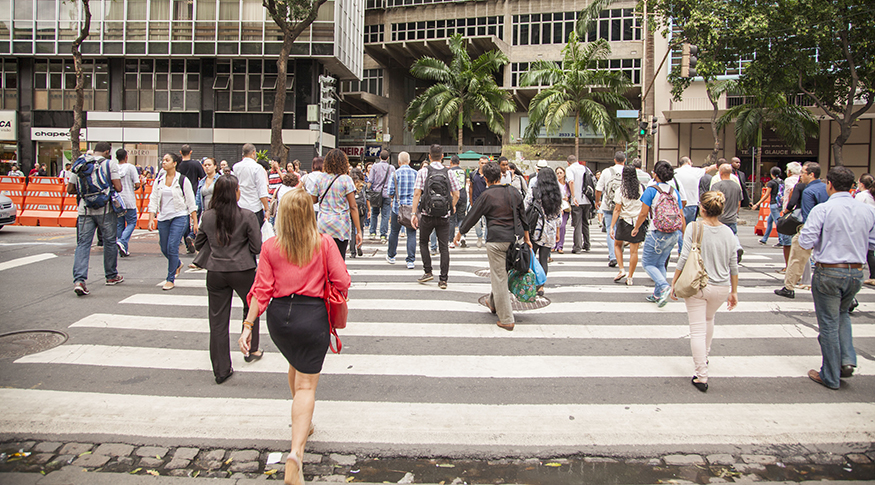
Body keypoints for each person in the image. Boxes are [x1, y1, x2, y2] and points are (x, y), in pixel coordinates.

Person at [240, 189, 350, 485]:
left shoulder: (271, 246)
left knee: (295, 363)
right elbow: (343, 280)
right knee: (306, 386)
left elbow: (261, 290)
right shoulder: (324, 243)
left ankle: (304, 422)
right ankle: (296, 454)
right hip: (311, 315)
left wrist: (248, 325)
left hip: (279, 319)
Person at [799, 166, 875, 389]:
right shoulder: (867, 210)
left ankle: (830, 374)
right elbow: (872, 242)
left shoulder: (824, 209)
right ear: (852, 185)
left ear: (829, 184)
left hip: (829, 270)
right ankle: (846, 360)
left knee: (829, 323)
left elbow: (805, 242)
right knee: (843, 314)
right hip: (855, 271)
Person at [193, 175, 262, 384]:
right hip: (243, 269)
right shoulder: (248, 216)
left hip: (216, 271)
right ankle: (251, 349)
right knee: (250, 309)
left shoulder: (207, 216)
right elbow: (257, 247)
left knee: (217, 321)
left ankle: (221, 369)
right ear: (235, 192)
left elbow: (198, 243)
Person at [669, 190, 739, 393]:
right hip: (722, 286)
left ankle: (702, 375)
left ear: (702, 207)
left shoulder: (694, 227)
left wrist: (675, 281)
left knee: (697, 330)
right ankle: (705, 357)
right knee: (709, 320)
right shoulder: (728, 232)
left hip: (698, 284)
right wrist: (734, 291)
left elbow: (684, 257)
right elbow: (733, 263)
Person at [460, 161, 531, 331]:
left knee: (499, 276)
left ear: (485, 178)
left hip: (496, 241)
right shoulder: (513, 191)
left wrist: (459, 232)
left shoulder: (486, 195)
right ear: (501, 175)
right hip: (515, 239)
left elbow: (473, 215)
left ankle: (506, 319)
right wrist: (527, 238)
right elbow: (523, 216)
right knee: (501, 272)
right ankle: (493, 303)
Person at [68, 142, 124, 296]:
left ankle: (79, 280)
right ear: (107, 151)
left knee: (83, 244)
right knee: (109, 242)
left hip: (84, 209)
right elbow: (118, 187)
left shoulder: (80, 162)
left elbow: (70, 188)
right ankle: (111, 276)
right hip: (105, 210)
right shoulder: (109, 164)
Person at [631, 160, 685, 307]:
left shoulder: (651, 190)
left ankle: (664, 286)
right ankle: (658, 294)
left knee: (647, 263)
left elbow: (643, 213)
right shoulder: (674, 191)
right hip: (673, 232)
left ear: (655, 174)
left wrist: (636, 228)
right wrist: (683, 233)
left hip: (657, 231)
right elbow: (681, 214)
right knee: (660, 262)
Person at [411, 144, 461, 289]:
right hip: (444, 216)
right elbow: (457, 194)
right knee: (444, 246)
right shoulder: (449, 172)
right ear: (442, 156)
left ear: (429, 156)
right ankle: (443, 280)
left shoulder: (423, 171)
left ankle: (428, 272)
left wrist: (414, 213)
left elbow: (417, 193)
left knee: (423, 242)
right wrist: (451, 206)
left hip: (427, 214)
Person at [775, 162, 828, 298]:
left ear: (811, 175)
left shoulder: (808, 191)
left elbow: (808, 214)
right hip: (828, 227)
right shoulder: (825, 188)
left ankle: (789, 287)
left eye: (803, 173)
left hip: (810, 227)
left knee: (797, 257)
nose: (801, 175)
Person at [147, 153, 198, 291]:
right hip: (163, 217)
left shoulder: (182, 180)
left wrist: (194, 221)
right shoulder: (159, 180)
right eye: (163, 160)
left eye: (167, 160)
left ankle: (170, 279)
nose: (164, 162)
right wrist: (151, 217)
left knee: (172, 246)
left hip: (179, 216)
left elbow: (191, 201)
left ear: (174, 163)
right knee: (164, 247)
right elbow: (153, 198)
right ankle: (177, 263)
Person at [306, 148, 363, 258]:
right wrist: (358, 230)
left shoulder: (320, 178)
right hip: (340, 226)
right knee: (339, 259)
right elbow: (353, 206)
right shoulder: (346, 180)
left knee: (324, 259)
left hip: (323, 224)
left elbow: (313, 200)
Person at [525, 166, 561, 294]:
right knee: (544, 259)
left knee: (532, 257)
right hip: (550, 231)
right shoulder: (557, 193)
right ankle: (541, 286)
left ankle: (530, 283)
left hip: (536, 228)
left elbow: (526, 204)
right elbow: (558, 216)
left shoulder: (535, 190)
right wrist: (557, 232)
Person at [610, 165, 646, 286]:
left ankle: (621, 269)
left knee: (617, 244)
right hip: (637, 221)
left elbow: (617, 209)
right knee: (634, 251)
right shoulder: (640, 188)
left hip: (624, 220)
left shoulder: (621, 190)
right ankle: (630, 277)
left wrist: (611, 226)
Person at [386, 151, 418, 269]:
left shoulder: (395, 174)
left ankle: (391, 256)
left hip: (397, 208)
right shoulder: (416, 173)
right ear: (409, 161)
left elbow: (390, 192)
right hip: (412, 209)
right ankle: (410, 260)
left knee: (394, 232)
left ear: (399, 162)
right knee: (411, 233)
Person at [596, 151, 627, 267]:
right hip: (623, 206)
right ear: (624, 160)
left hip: (608, 205)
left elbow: (599, 188)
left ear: (614, 160)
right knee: (622, 229)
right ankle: (619, 252)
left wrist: (597, 201)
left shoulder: (606, 172)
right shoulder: (627, 171)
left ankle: (613, 256)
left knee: (610, 229)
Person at [711, 163, 744, 263]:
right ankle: (737, 246)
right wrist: (736, 213)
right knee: (733, 233)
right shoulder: (736, 186)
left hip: (719, 217)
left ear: (720, 173)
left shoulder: (717, 186)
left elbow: (712, 201)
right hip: (732, 216)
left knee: (718, 237)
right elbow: (739, 202)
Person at [176, 145, 206, 254]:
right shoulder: (196, 164)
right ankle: (190, 236)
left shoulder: (178, 165)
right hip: (193, 192)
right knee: (194, 215)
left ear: (180, 152)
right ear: (191, 152)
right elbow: (202, 178)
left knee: (182, 216)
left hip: (179, 193)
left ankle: (185, 237)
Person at [233, 143, 270, 224]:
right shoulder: (257, 168)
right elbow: (261, 190)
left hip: (240, 205)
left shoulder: (236, 167)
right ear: (254, 153)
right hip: (254, 207)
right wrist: (267, 209)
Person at [566, 155, 595, 253]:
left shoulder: (570, 169)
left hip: (577, 200)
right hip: (587, 199)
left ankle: (577, 246)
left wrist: (573, 196)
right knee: (585, 222)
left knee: (577, 224)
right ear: (577, 161)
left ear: (568, 162)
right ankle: (587, 244)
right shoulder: (585, 168)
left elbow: (571, 181)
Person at [115, 148, 140, 257]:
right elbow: (137, 184)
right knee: (131, 222)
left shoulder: (114, 168)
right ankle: (122, 241)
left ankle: (123, 247)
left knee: (120, 224)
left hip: (117, 200)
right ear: (126, 157)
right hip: (129, 199)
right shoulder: (131, 167)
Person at [368, 150, 395, 242]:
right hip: (387, 194)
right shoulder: (391, 168)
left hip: (376, 193)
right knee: (385, 215)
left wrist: (367, 191)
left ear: (379, 157)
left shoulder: (375, 166)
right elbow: (394, 182)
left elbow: (370, 180)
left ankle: (372, 232)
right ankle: (383, 234)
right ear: (388, 158)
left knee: (374, 213)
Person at [754, 166, 783, 245]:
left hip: (773, 203)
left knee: (777, 222)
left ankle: (781, 241)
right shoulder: (782, 182)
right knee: (769, 221)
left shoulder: (771, 182)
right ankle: (764, 239)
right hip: (780, 203)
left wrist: (757, 204)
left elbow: (766, 195)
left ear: (771, 174)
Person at [855, 174, 875, 286]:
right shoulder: (871, 195)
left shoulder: (862, 195)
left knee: (865, 249)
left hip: (866, 223)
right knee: (871, 250)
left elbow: (856, 209)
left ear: (861, 184)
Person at [468, 156, 489, 247]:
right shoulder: (473, 174)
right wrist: (471, 199)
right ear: (479, 163)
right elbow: (471, 187)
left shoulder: (490, 174)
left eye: (486, 163)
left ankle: (487, 239)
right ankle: (479, 237)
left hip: (488, 202)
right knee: (476, 222)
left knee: (488, 222)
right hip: (476, 201)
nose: (484, 165)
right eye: (482, 163)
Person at [448, 155, 468, 249]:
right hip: (463, 196)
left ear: (450, 162)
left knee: (451, 219)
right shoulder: (463, 172)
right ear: (459, 162)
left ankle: (451, 240)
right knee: (461, 218)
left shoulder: (449, 172)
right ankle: (462, 236)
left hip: (454, 196)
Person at [553, 166, 571, 254]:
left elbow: (571, 195)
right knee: (556, 226)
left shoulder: (568, 184)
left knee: (562, 226)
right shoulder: (555, 184)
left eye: (561, 173)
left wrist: (568, 198)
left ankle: (560, 245)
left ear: (564, 173)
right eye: (557, 173)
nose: (559, 175)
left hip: (566, 207)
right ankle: (554, 244)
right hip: (557, 207)